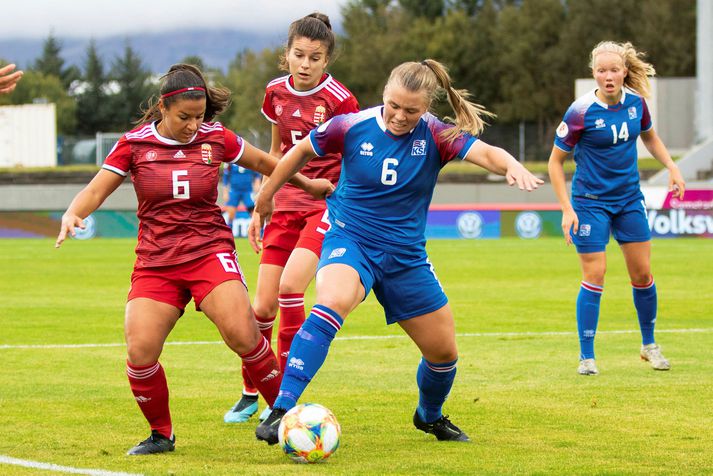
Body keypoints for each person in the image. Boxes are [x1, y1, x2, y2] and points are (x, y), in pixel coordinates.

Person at [251, 59, 543, 444]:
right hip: (350, 239)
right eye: (393, 105)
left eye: (412, 110)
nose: (399, 117)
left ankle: (429, 415)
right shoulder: (351, 124)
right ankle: (283, 408)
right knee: (333, 299)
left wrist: (511, 165)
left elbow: (488, 153)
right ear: (383, 95)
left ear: (426, 108)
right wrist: (266, 196)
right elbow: (299, 152)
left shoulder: (438, 135)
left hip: (405, 258)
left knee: (443, 355)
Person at [55, 64, 334, 455]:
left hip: (209, 252)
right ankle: (161, 435)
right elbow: (97, 189)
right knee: (140, 352)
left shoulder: (216, 138)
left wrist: (306, 184)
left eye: (199, 116)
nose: (192, 125)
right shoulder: (134, 143)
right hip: (156, 261)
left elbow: (268, 163)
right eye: (184, 117)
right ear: (164, 109)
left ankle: (286, 416)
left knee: (244, 334)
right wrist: (73, 212)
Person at [223, 12, 359, 424]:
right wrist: (264, 203)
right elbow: (277, 151)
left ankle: (285, 398)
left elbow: (353, 154)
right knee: (260, 309)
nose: (305, 63)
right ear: (286, 55)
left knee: (288, 289)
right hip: (285, 204)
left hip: (325, 205)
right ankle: (252, 392)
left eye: (314, 57)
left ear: (326, 60)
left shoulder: (340, 99)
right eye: (298, 54)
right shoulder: (274, 93)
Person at [547, 41, 685, 376]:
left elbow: (649, 137)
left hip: (628, 201)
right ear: (593, 73)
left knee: (642, 275)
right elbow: (555, 162)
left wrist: (672, 167)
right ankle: (587, 357)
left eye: (613, 70)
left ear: (624, 71)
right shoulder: (579, 111)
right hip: (590, 203)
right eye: (601, 71)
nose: (607, 76)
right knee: (595, 275)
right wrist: (567, 209)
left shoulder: (637, 104)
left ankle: (649, 345)